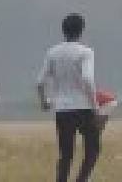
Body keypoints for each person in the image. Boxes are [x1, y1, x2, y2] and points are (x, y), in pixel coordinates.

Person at [37, 13, 101, 182]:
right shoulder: (86, 52)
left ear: (63, 30)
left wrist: (44, 101)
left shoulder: (53, 52)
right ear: (82, 30)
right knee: (93, 148)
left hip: (62, 109)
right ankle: (82, 179)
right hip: (84, 107)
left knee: (66, 153)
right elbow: (87, 78)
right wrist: (96, 107)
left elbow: (40, 81)